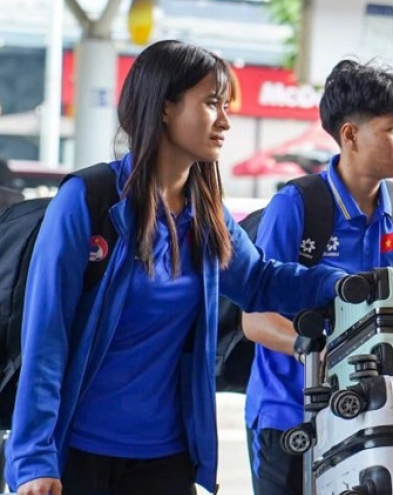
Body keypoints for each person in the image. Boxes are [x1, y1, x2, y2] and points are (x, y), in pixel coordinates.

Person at [5, 40, 349, 495]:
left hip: (166, 458)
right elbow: (46, 334)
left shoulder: (206, 214)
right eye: (211, 104)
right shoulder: (88, 201)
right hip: (79, 455)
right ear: (165, 107)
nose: (225, 121)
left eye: (226, 106)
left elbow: (260, 282)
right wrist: (33, 460)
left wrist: (344, 285)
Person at [242, 59, 393, 495]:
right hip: (289, 415)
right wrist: (325, 357)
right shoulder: (298, 205)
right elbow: (255, 320)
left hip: (367, 412)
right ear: (350, 135)